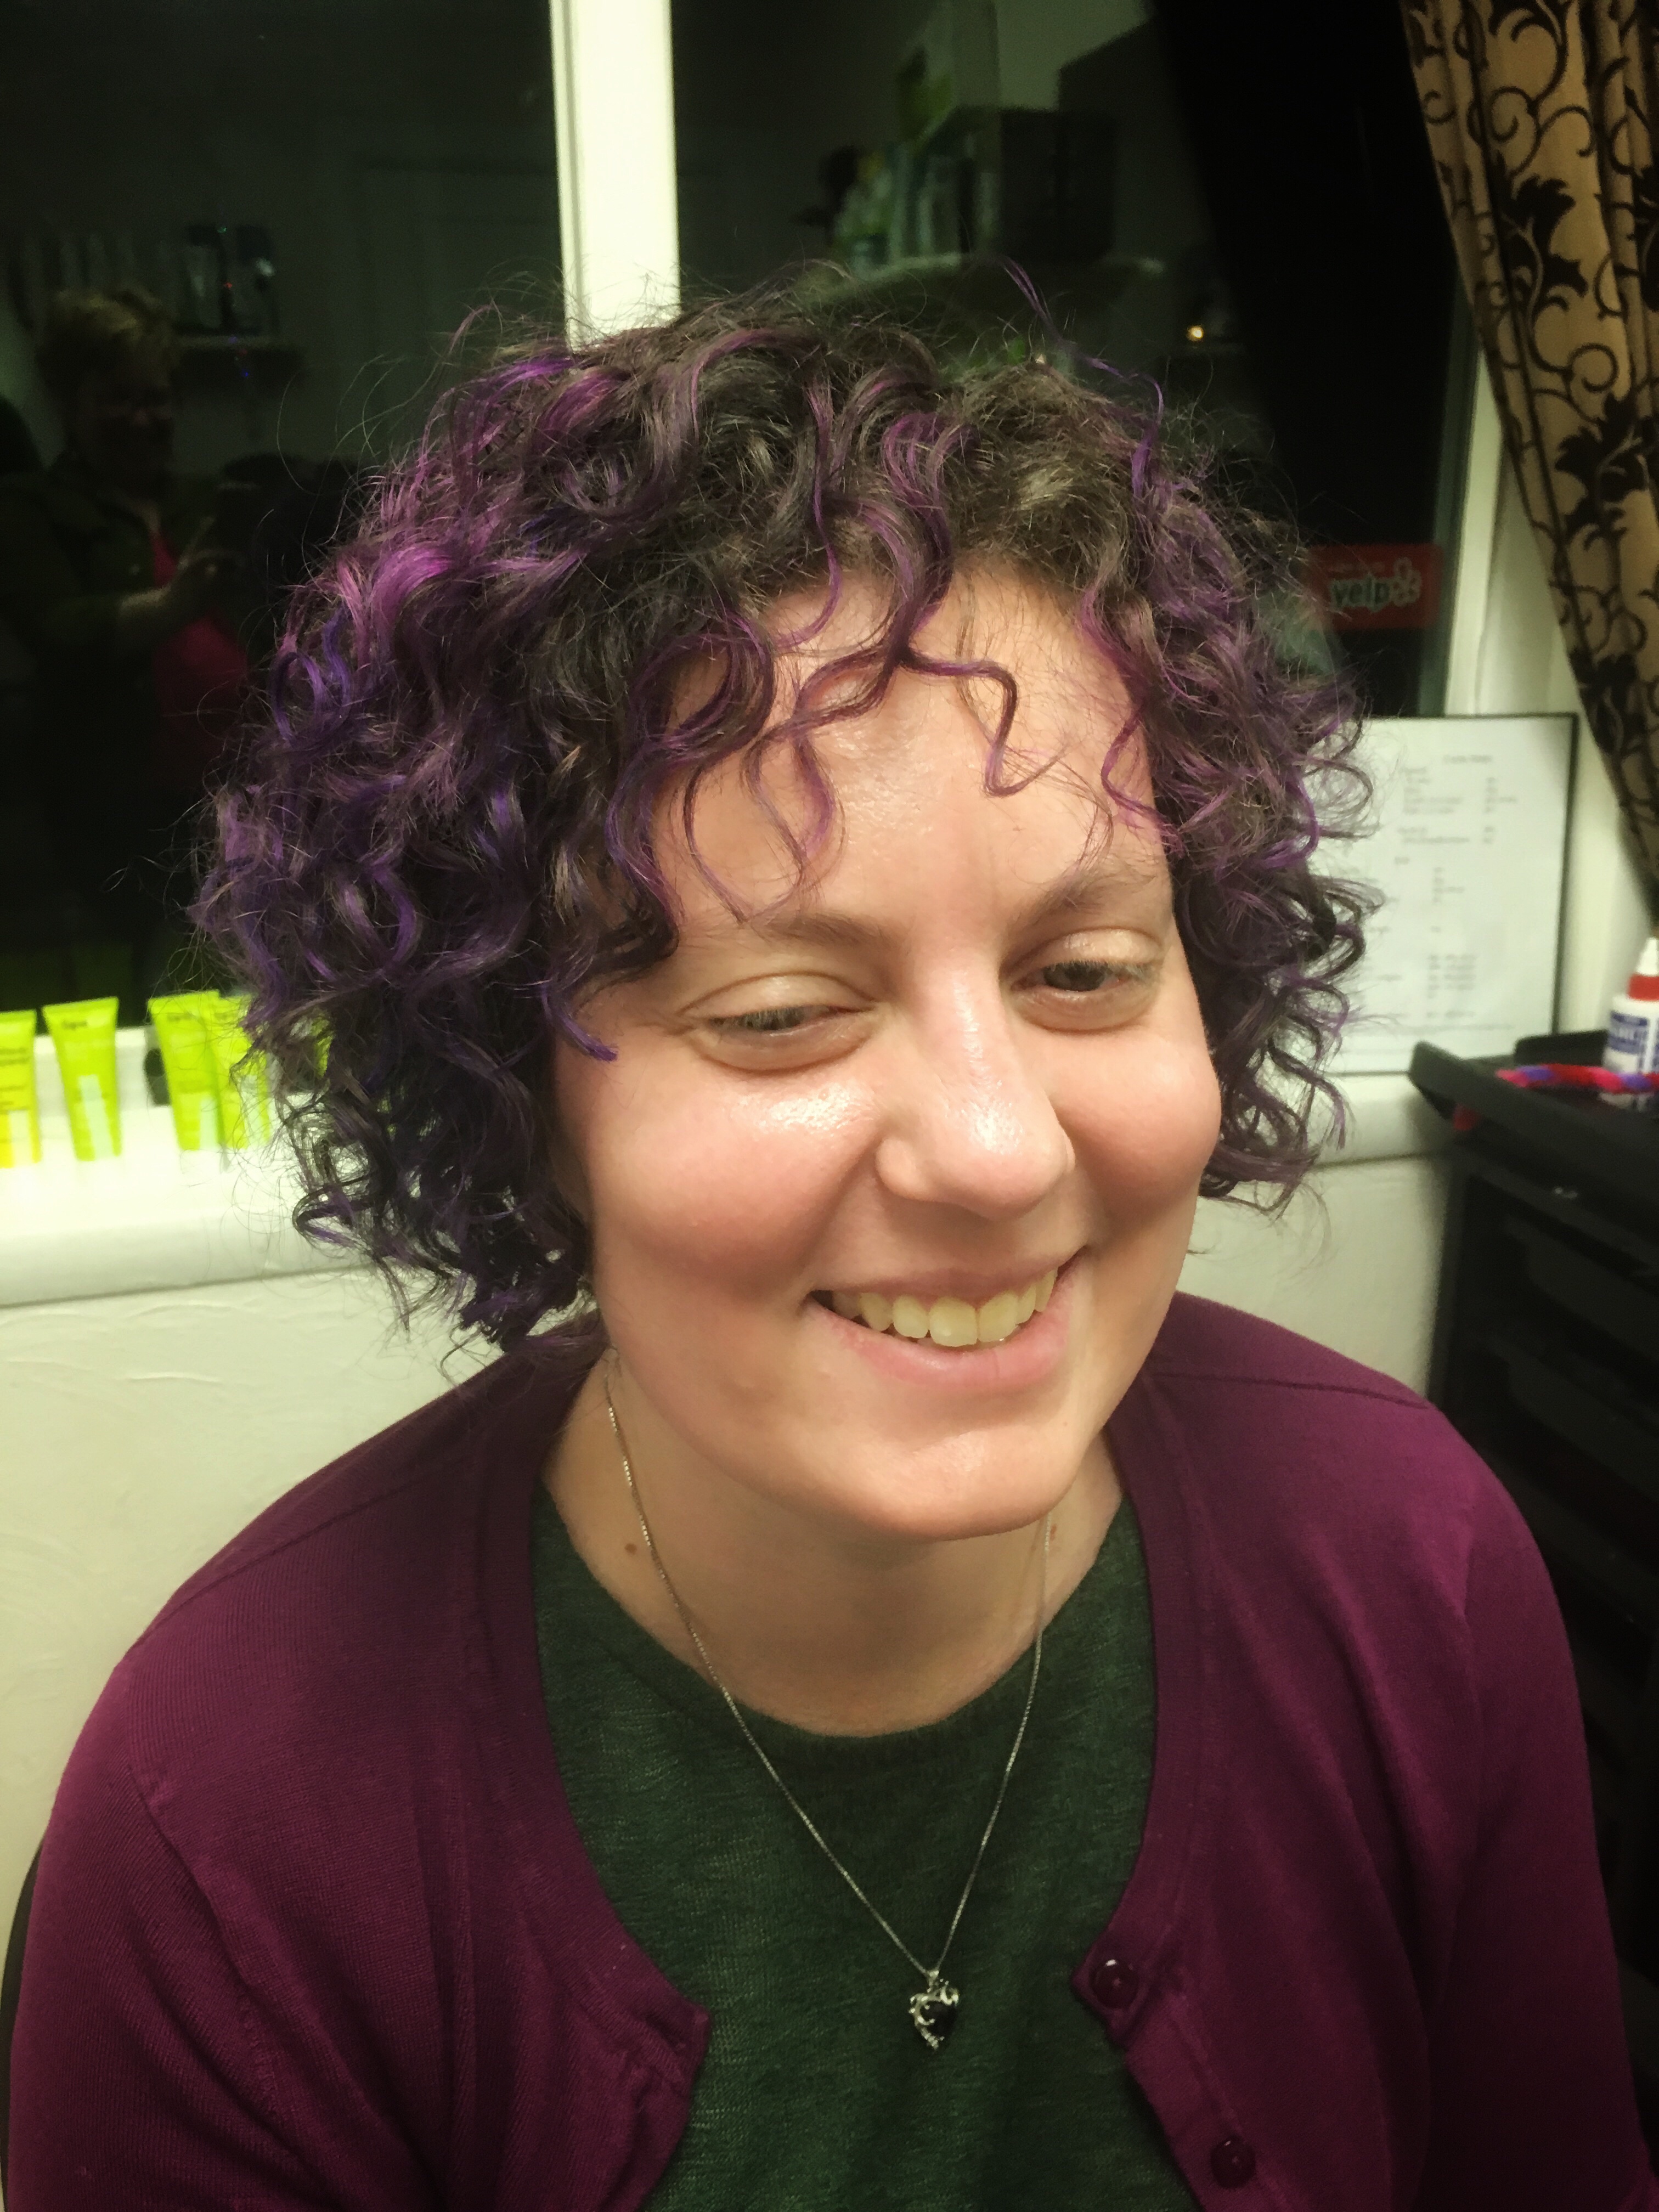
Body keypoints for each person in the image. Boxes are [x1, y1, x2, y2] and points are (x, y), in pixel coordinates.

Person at [7, 294, 1652, 2211]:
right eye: (782, 1012)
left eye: (1086, 970)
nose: (997, 1147)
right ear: (513, 1090)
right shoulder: (231, 1832)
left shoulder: (1417, 1568)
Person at [0, 286, 247, 1013]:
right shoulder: (28, 509)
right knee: (139, 1001)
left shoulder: (206, 499)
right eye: (118, 399)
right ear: (68, 403)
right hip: (118, 813)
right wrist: (173, 605)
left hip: (231, 799)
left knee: (237, 994)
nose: (143, 419)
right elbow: (59, 630)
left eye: (157, 399)